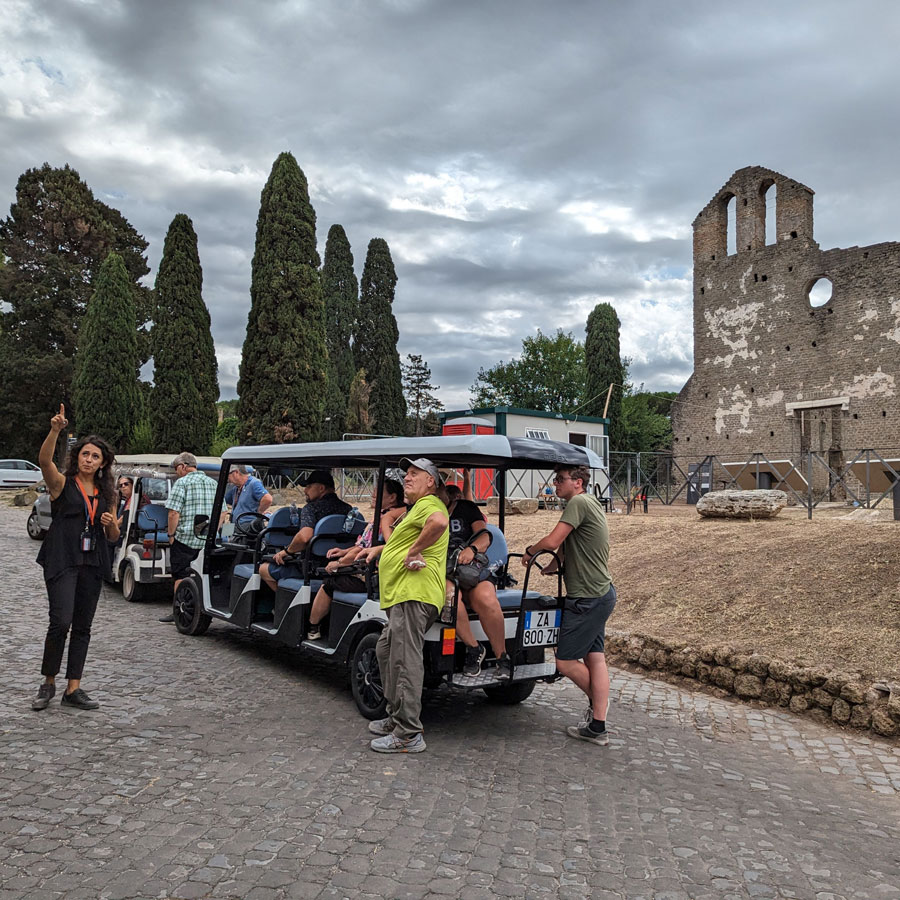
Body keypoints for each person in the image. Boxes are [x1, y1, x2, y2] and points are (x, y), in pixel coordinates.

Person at [32, 404, 120, 711]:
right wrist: (55, 430)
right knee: (61, 621)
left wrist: (111, 526)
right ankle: (48, 682)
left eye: (96, 456)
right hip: (62, 559)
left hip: (92, 563)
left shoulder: (108, 494)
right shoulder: (61, 484)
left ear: (102, 463)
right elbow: (44, 461)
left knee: (83, 625)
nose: (89, 459)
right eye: (85, 454)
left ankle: (73, 688)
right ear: (77, 456)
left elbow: (113, 538)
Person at [358, 458, 449, 753]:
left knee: (405, 659)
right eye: (406, 473)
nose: (406, 478)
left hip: (415, 593)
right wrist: (382, 549)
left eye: (414, 474)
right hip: (402, 594)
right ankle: (396, 716)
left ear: (430, 481)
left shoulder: (429, 505)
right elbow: (401, 542)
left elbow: (439, 522)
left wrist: (413, 550)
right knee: (386, 650)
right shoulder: (416, 509)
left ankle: (408, 733)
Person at [522, 464, 615, 747]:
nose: (556, 483)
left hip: (587, 598)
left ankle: (600, 708)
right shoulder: (589, 504)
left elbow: (553, 540)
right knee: (594, 656)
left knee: (564, 661)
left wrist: (530, 552)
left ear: (577, 482)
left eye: (561, 479)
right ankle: (597, 725)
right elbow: (566, 546)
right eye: (555, 479)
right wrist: (552, 566)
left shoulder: (578, 502)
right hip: (601, 594)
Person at [306, 478, 406, 640]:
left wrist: (338, 563)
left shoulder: (386, 520)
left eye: (377, 492)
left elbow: (363, 551)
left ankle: (313, 626)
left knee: (329, 582)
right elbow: (361, 545)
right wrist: (343, 551)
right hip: (374, 570)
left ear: (392, 497)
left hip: (374, 575)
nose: (373, 495)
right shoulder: (389, 516)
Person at [444, 483, 510, 679]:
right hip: (444, 572)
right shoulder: (424, 510)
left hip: (470, 568)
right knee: (451, 597)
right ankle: (474, 648)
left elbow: (484, 536)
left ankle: (502, 657)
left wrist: (472, 549)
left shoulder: (465, 508)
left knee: (487, 598)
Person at [259, 470, 351, 591]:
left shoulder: (311, 508)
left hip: (311, 569)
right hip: (340, 567)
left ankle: (284, 606)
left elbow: (304, 537)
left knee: (263, 569)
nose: (305, 490)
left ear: (321, 488)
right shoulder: (347, 509)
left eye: (309, 486)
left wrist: (287, 552)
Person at [159, 452, 217, 623]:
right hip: (207, 540)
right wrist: (212, 532)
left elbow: (173, 513)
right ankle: (203, 609)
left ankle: (179, 610)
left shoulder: (182, 483)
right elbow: (223, 512)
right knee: (202, 575)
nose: (177, 473)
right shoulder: (214, 483)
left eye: (177, 469)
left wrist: (171, 535)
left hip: (185, 538)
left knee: (180, 575)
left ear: (183, 466)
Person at [224, 465, 272, 529]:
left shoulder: (254, 483)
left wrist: (259, 512)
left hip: (246, 525)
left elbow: (267, 499)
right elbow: (223, 499)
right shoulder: (235, 488)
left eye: (228, 475)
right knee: (223, 534)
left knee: (229, 535)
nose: (227, 478)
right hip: (233, 523)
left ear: (235, 473)